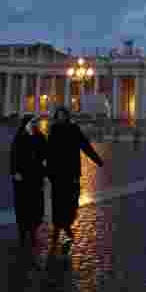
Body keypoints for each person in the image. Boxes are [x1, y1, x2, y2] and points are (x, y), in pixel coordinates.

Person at [46, 106, 104, 252]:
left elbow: (85, 146)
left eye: (63, 115)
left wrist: (97, 160)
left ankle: (66, 224)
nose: (60, 117)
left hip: (72, 173)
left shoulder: (74, 129)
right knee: (57, 202)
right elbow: (48, 151)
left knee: (72, 202)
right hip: (57, 174)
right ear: (56, 117)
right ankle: (57, 229)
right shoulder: (53, 130)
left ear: (67, 116)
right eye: (58, 115)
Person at [10, 115, 48, 246]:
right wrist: (15, 172)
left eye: (35, 122)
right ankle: (22, 232)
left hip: (36, 178)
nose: (34, 124)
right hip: (21, 178)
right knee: (22, 206)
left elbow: (46, 155)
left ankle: (32, 232)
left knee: (35, 206)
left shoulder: (40, 137)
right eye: (32, 122)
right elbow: (13, 156)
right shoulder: (19, 137)